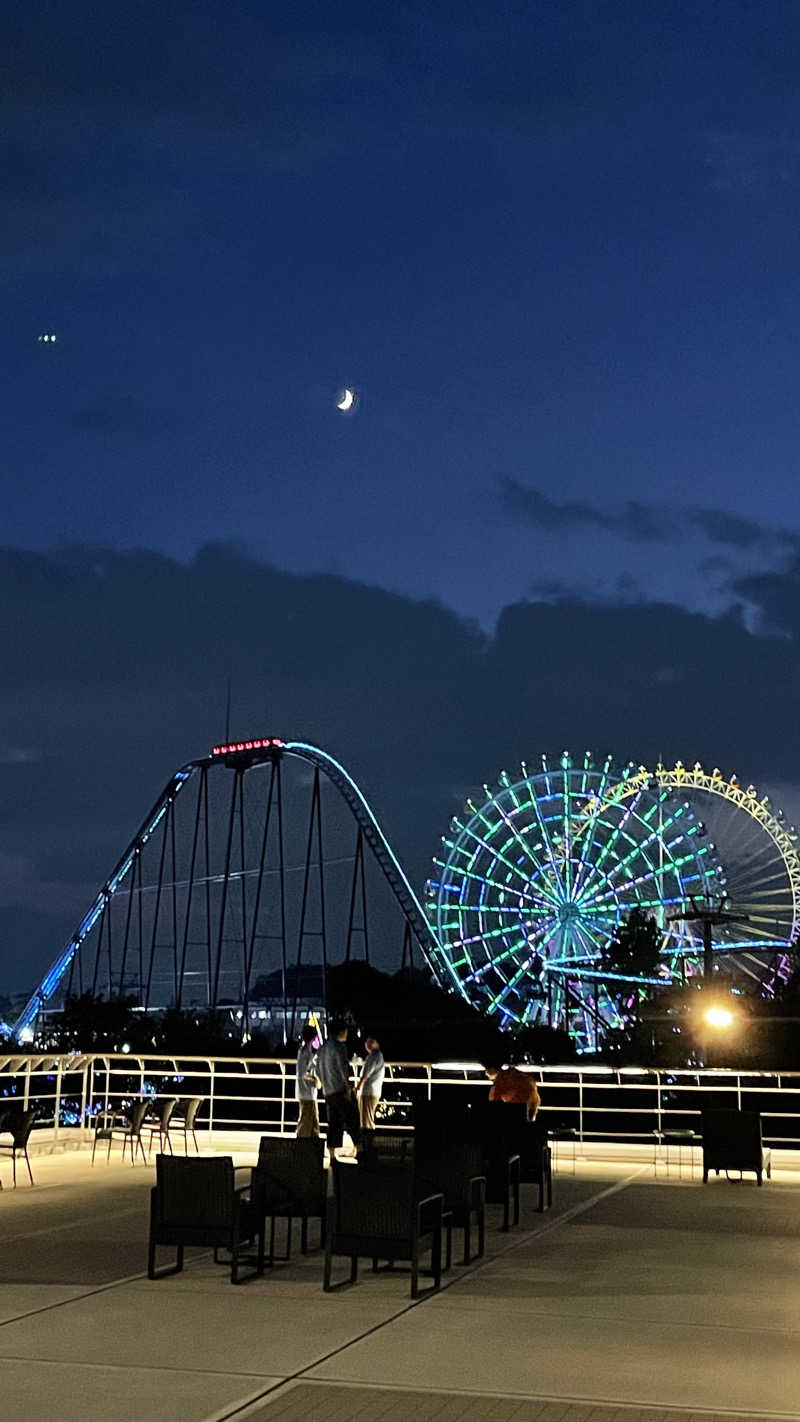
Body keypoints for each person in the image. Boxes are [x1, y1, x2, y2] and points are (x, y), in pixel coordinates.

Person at [317, 1019, 360, 1158]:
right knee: (351, 1119)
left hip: (328, 1091)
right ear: (340, 1032)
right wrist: (348, 1089)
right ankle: (358, 1148)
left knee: (333, 1122)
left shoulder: (322, 1049)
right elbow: (343, 1070)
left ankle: (331, 1152)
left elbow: (318, 1070)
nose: (347, 1033)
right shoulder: (340, 1047)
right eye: (345, 1031)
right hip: (340, 1090)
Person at [295, 1023, 320, 1137]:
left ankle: (314, 1144)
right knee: (306, 1121)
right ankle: (301, 1144)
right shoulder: (305, 1052)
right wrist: (315, 1078)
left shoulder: (306, 1051)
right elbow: (302, 1073)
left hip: (308, 1092)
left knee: (313, 1120)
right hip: (306, 1093)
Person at [357, 1036, 385, 1133]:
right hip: (372, 1091)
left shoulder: (374, 1056)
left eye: (370, 1042)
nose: (367, 1044)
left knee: (366, 1121)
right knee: (367, 1119)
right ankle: (367, 1143)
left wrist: (357, 1087)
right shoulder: (377, 1056)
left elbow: (366, 1074)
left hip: (368, 1092)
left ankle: (368, 1143)